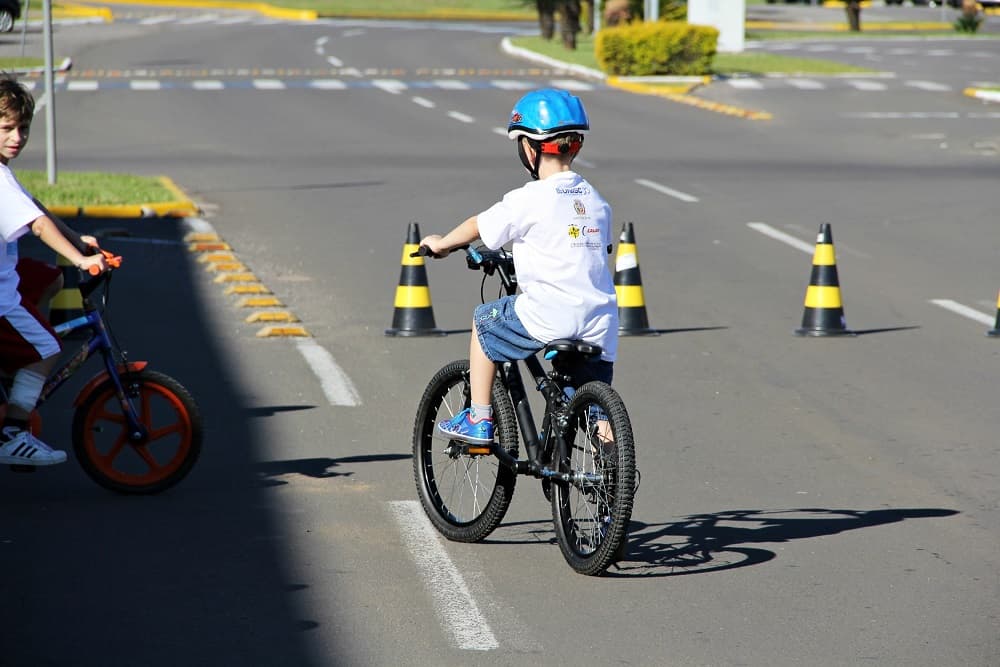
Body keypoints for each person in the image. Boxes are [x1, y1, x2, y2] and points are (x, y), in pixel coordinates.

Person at [420, 88, 617, 444]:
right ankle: (612, 468)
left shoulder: (529, 198)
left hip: (549, 314)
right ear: (575, 146)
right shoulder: (597, 200)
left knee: (484, 322)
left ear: (530, 148)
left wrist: (443, 244)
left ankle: (478, 418)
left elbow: (478, 227)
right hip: (600, 321)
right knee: (595, 410)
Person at [0, 74, 107, 465]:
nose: (17, 137)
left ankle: (13, 373)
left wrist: (78, 239)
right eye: (7, 128)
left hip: (6, 274)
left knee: (49, 276)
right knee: (47, 346)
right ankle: (12, 434)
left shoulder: (4, 174)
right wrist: (81, 260)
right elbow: (38, 226)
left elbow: (36, 208)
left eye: (23, 128)